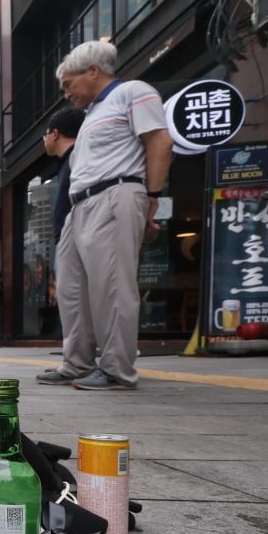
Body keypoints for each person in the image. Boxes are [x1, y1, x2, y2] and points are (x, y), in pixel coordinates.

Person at [36, 40, 172, 391]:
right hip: (79, 205)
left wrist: (151, 196)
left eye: (69, 84)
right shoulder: (94, 112)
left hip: (114, 193)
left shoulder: (133, 91)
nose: (67, 94)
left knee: (111, 286)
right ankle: (78, 361)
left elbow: (159, 140)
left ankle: (116, 368)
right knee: (71, 288)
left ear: (93, 71)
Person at [44, 106, 86, 253]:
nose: (45, 139)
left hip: (76, 238)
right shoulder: (71, 159)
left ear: (55, 134)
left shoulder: (77, 158)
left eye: (46, 135)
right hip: (72, 237)